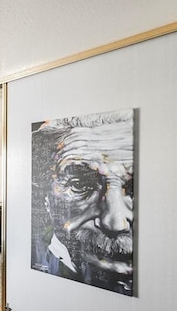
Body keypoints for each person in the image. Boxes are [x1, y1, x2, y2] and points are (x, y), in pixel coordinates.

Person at [31, 109, 134, 296]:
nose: (115, 223)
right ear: (45, 195)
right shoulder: (34, 257)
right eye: (80, 184)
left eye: (135, 188)